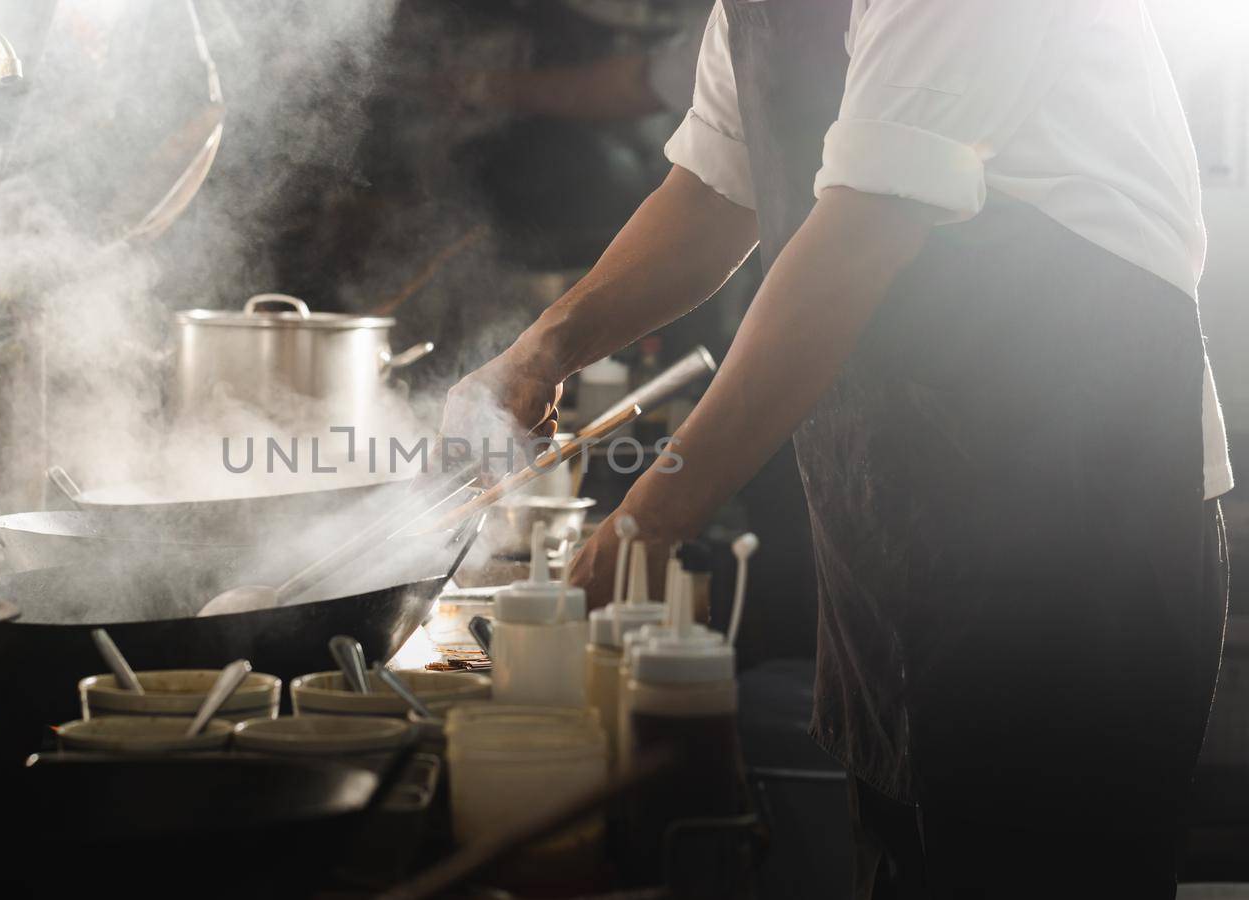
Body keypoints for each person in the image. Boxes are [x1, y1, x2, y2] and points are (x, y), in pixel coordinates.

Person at [442, 0, 1232, 896]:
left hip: (1082, 536)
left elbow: (861, 234)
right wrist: (544, 348)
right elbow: (715, 188)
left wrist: (647, 520)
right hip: (902, 539)